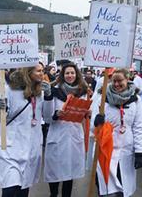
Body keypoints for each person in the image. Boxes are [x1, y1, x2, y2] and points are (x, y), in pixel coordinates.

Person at [0, 63, 54, 197]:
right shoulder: (9, 89)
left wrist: (49, 96)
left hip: (31, 148)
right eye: (38, 71)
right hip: (10, 148)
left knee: (23, 190)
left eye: (42, 71)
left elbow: (48, 117)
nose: (42, 74)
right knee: (10, 188)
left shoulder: (40, 93)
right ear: (28, 72)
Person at [92, 68, 142, 197]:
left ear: (127, 79)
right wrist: (96, 121)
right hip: (105, 150)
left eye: (120, 80)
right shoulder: (102, 98)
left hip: (125, 150)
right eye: (114, 81)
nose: (116, 84)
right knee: (105, 189)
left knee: (122, 188)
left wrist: (139, 151)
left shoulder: (136, 100)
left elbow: (138, 127)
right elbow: (93, 128)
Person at [44, 63, 89, 197]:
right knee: (54, 172)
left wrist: (87, 113)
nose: (70, 75)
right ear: (62, 75)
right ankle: (53, 194)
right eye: (67, 73)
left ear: (77, 75)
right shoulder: (54, 91)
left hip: (74, 136)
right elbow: (47, 117)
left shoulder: (82, 92)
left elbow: (84, 116)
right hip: (58, 135)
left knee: (69, 172)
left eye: (72, 73)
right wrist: (56, 114)